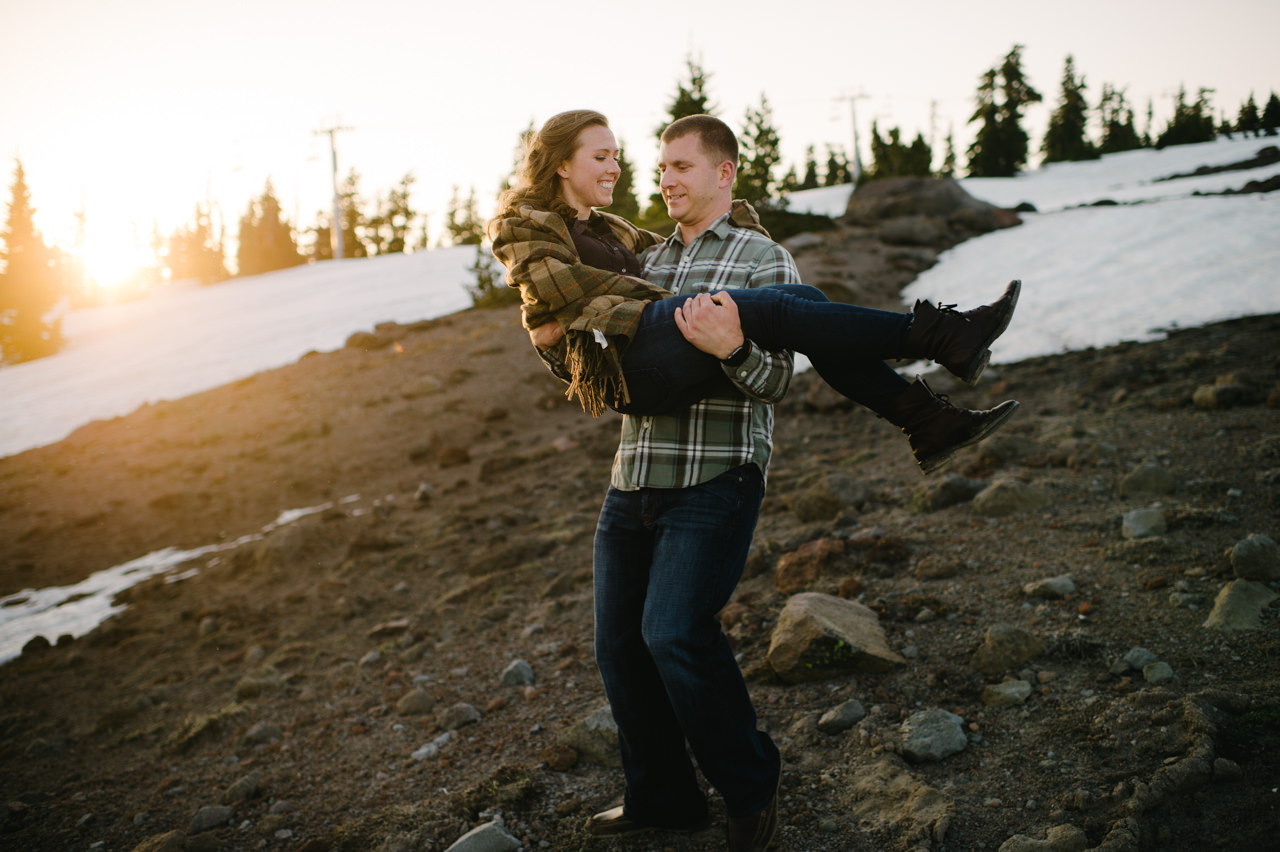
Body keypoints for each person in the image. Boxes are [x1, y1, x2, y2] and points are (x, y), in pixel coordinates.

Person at [489, 109, 1020, 475]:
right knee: (763, 308)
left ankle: (926, 419)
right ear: (562, 163)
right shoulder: (520, 223)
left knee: (802, 303)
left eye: (617, 156)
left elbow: (683, 240)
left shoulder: (613, 231)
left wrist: (735, 222)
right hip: (623, 367)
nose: (617, 168)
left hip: (652, 352)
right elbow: (560, 287)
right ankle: (938, 336)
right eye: (601, 157)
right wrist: (660, 302)